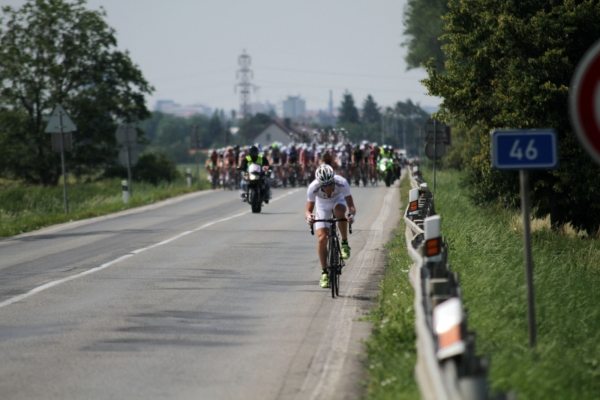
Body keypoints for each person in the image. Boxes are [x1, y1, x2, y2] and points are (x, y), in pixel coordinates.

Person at [305, 164, 356, 288]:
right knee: (322, 239)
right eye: (325, 185)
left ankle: (344, 243)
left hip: (338, 201)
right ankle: (324, 273)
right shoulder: (313, 188)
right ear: (320, 184)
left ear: (334, 180)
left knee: (340, 212)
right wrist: (309, 217)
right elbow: (308, 210)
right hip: (322, 206)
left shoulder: (342, 183)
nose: (328, 187)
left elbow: (351, 205)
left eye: (330, 184)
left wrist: (351, 214)